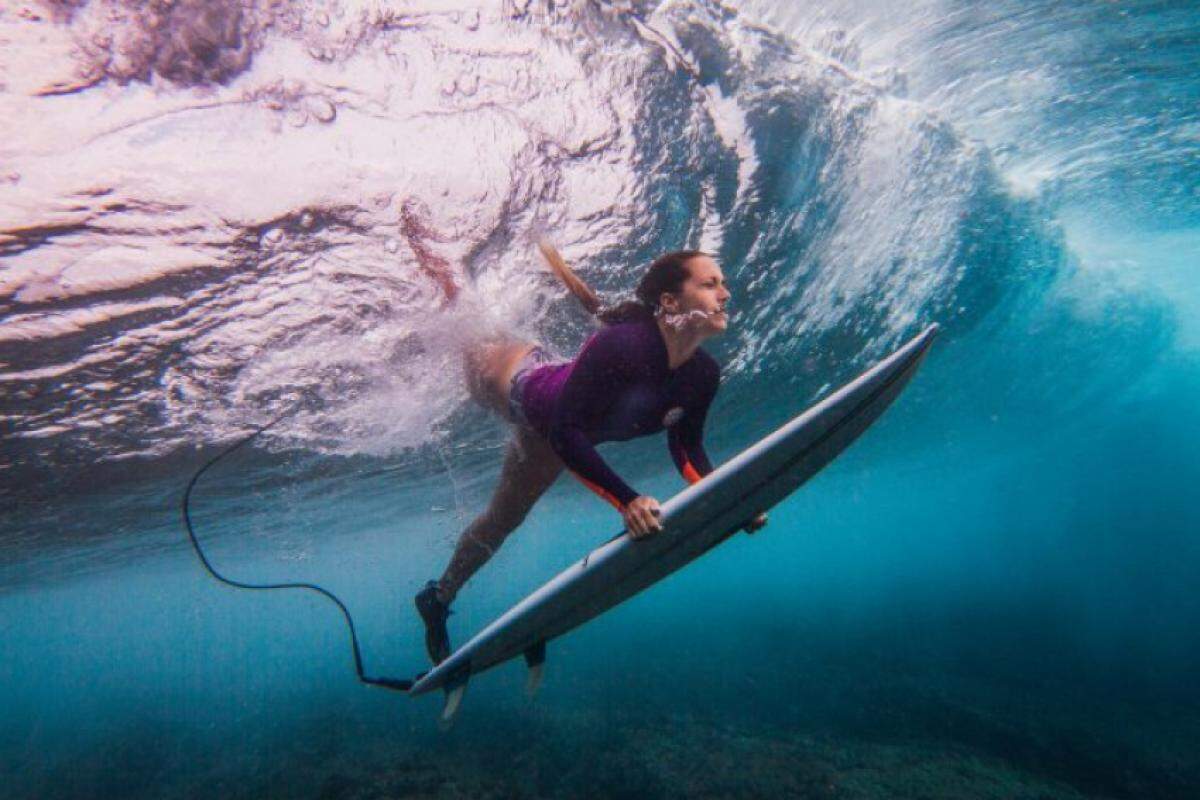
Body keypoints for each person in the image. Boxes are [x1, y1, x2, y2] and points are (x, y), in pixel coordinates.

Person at [413, 244, 766, 665]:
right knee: (472, 338)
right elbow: (566, 432)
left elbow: (686, 447)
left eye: (723, 284)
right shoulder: (620, 346)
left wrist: (724, 495)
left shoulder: (703, 375)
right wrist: (628, 501)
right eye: (710, 284)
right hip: (517, 382)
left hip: (558, 415)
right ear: (671, 302)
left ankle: (437, 597)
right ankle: (439, 265)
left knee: (503, 520)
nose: (725, 293)